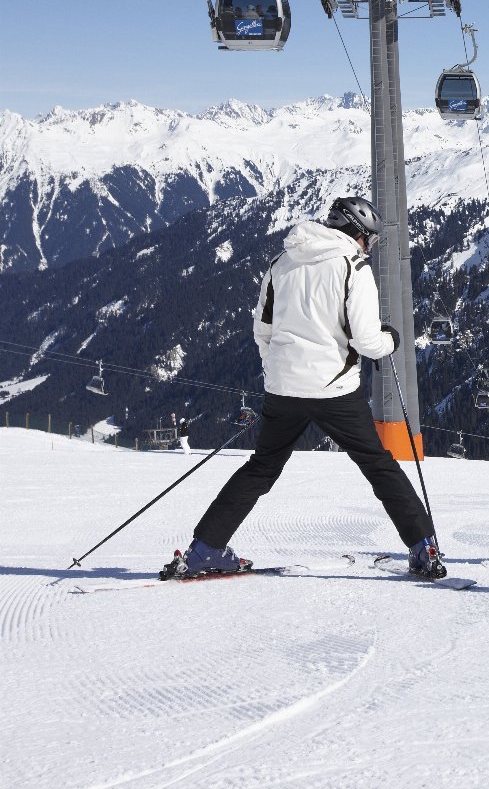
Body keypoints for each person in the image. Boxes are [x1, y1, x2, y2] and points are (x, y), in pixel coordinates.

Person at [159, 196, 446, 580]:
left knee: (261, 469)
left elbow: (262, 330)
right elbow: (365, 340)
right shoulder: (353, 267)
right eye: (370, 239)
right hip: (335, 390)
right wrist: (390, 341)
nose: (370, 246)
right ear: (356, 234)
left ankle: (204, 550)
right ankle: (423, 549)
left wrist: (278, 369)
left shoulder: (281, 263)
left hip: (284, 389)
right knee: (379, 466)